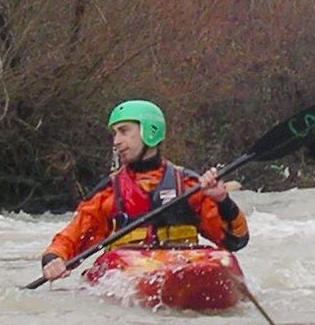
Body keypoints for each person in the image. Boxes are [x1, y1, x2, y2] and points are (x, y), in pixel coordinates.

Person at [39, 99, 248, 280]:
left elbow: (235, 240)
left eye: (124, 131)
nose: (116, 141)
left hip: (182, 262)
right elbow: (72, 237)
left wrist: (223, 201)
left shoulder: (189, 186)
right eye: (115, 134)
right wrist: (55, 259)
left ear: (150, 131)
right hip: (128, 270)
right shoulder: (108, 193)